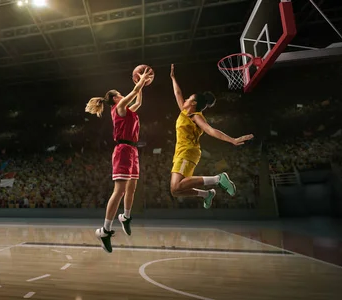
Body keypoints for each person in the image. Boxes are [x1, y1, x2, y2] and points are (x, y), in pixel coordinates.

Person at [85, 68, 152, 253]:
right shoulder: (119, 107)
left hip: (132, 150)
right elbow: (134, 93)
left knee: (132, 188)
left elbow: (138, 99)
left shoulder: (128, 109)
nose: (122, 95)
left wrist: (142, 85)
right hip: (122, 149)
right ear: (115, 98)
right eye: (120, 94)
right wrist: (141, 80)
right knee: (120, 190)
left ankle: (126, 217)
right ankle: (105, 230)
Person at [169, 64, 253, 209]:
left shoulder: (195, 116)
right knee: (176, 191)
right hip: (181, 152)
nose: (185, 99)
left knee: (176, 186)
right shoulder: (185, 112)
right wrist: (173, 78)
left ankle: (218, 179)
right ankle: (206, 194)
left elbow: (210, 130)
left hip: (187, 151)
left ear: (193, 103)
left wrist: (232, 140)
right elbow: (177, 93)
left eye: (189, 98)